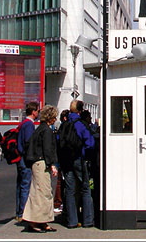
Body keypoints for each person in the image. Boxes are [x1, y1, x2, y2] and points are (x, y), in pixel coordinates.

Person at [59, 99, 95, 229]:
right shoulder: (80, 124)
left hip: (66, 160)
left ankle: (72, 221)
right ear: (80, 110)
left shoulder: (64, 124)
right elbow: (90, 143)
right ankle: (87, 220)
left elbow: (59, 141)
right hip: (79, 159)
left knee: (70, 190)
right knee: (85, 188)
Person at [22, 105, 58, 233]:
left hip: (37, 163)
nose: (55, 119)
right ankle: (35, 222)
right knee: (43, 192)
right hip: (42, 163)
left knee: (40, 192)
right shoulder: (47, 131)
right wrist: (52, 164)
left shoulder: (39, 129)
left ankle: (42, 221)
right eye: (54, 117)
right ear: (51, 118)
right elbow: (48, 149)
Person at [15, 101, 40, 223]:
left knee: (20, 186)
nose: (38, 113)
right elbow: (28, 142)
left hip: (19, 158)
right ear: (33, 111)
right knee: (25, 185)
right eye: (38, 110)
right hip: (25, 159)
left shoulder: (22, 123)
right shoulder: (29, 125)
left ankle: (18, 212)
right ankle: (23, 212)